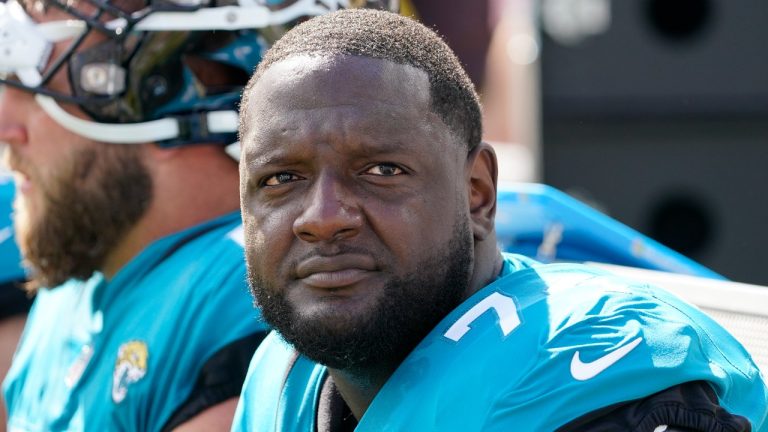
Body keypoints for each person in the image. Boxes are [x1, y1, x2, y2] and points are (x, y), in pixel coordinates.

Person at [233, 9, 768, 431]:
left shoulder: (594, 370)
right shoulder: (282, 374)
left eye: (381, 170)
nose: (323, 218)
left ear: (478, 194)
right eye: (281, 178)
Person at [0, 0, 396, 429]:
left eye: (36, 87)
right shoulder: (81, 268)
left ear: (167, 86)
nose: (4, 124)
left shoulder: (249, 295)